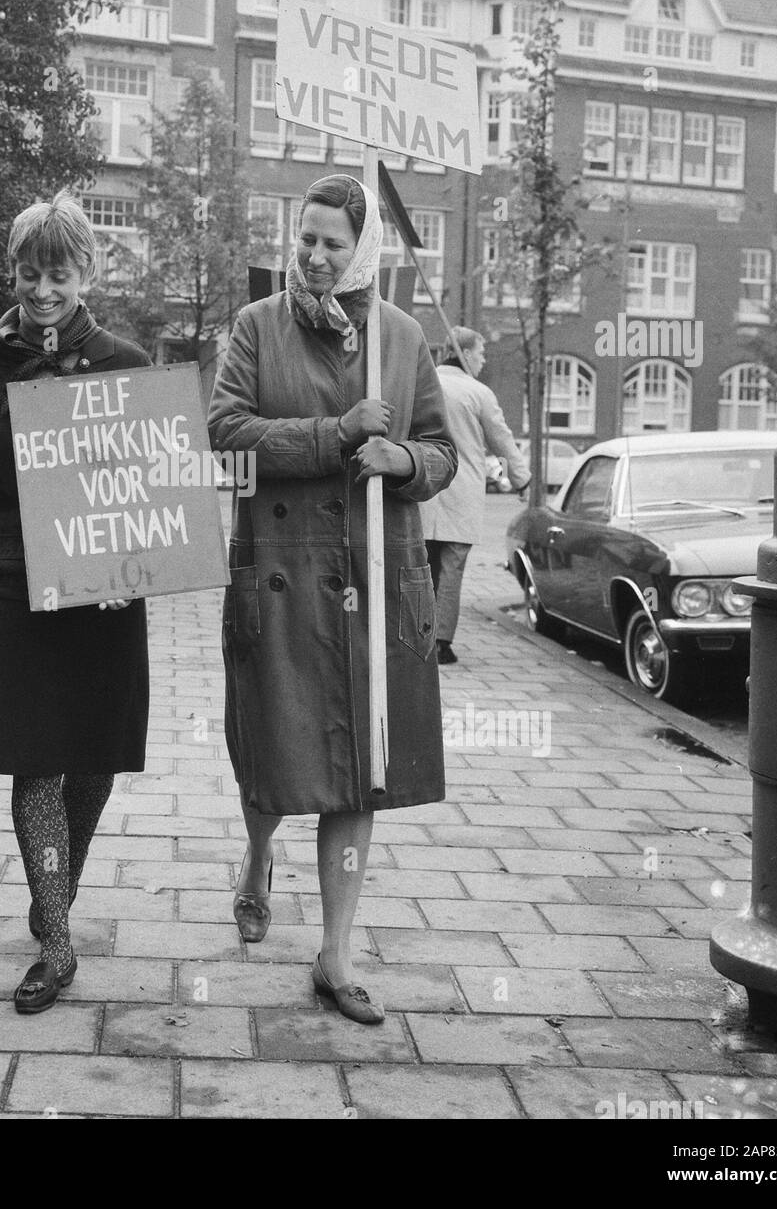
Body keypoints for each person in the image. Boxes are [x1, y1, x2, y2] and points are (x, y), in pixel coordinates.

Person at [208, 173, 456, 1025]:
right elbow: (224, 439)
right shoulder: (254, 328)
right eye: (305, 239)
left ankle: (335, 954)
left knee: (358, 776)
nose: (314, 255)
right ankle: (255, 852)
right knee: (273, 758)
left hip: (374, 575)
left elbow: (443, 454)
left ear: (362, 251)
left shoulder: (401, 336)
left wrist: (405, 463)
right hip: (279, 573)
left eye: (333, 243)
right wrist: (336, 435)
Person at [0, 194, 152, 1015]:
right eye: (30, 273)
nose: (44, 290)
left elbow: (157, 479)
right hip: (22, 588)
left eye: (59, 274)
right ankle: (56, 943)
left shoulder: (128, 363)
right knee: (37, 758)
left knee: (94, 756)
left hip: (108, 590)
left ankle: (52, 888)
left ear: (86, 272)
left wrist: (152, 558)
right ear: (12, 272)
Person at [419, 326, 530, 665]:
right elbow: (502, 440)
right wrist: (522, 479)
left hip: (423, 486)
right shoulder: (478, 393)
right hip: (461, 490)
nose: (482, 361)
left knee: (419, 566)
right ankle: (440, 644)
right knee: (451, 571)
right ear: (465, 353)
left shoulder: (421, 384)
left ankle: (413, 634)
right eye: (481, 354)